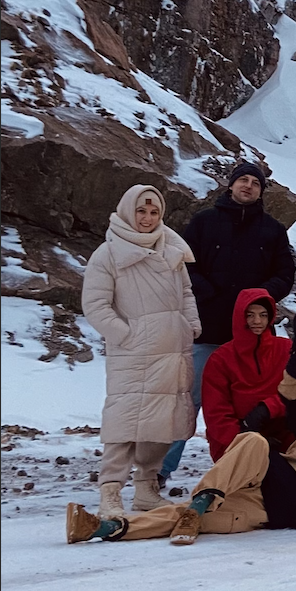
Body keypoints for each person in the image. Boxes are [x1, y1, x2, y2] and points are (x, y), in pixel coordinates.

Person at [66, 315, 296, 545]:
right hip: (266, 472)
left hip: (272, 510)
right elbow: (292, 393)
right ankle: (203, 499)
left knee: (188, 516)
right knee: (254, 441)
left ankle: (102, 529)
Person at [161, 161, 296, 483]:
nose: (248, 186)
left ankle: (256, 465)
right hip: (209, 329)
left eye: (255, 182)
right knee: (187, 401)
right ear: (231, 185)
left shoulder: (273, 230)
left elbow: (286, 274)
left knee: (257, 403)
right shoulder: (204, 222)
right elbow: (183, 265)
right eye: (243, 180)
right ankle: (161, 470)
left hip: (255, 336)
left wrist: (260, 296)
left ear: (261, 190)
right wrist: (208, 293)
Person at [80, 185, 202, 518]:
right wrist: (127, 335)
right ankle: (111, 492)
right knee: (125, 422)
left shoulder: (172, 248)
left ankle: (147, 488)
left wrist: (191, 323)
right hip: (134, 353)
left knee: (164, 422)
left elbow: (187, 293)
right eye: (141, 211)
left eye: (154, 213)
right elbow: (95, 305)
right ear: (126, 211)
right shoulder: (108, 254)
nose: (148, 219)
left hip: (173, 350)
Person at [200, 288, 296, 464]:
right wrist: (250, 440)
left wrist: (267, 408)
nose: (257, 321)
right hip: (238, 435)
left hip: (282, 427)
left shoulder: (285, 348)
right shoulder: (221, 359)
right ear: (240, 317)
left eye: (263, 315)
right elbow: (216, 415)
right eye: (250, 315)